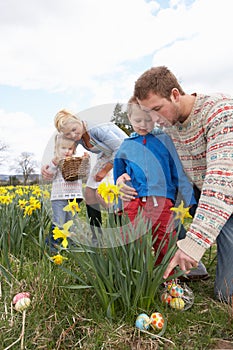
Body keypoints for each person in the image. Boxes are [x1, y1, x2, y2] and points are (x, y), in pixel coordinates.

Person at [118, 66, 233, 302]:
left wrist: (193, 245)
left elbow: (220, 186)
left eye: (157, 110)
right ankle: (184, 263)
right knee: (162, 210)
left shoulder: (221, 112)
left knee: (226, 295)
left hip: (224, 193)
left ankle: (189, 254)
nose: (154, 120)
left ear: (175, 94)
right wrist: (121, 180)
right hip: (196, 193)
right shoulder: (166, 126)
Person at [114, 99, 197, 270]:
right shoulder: (125, 146)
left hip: (162, 200)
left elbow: (178, 172)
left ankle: (168, 282)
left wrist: (189, 198)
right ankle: (137, 280)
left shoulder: (165, 140)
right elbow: (118, 177)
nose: (143, 125)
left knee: (165, 241)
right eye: (138, 121)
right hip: (133, 201)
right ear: (129, 118)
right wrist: (118, 203)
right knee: (134, 242)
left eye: (148, 120)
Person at [42, 109, 128, 245]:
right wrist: (47, 166)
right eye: (68, 133)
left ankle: (121, 234)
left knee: (108, 194)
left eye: (74, 129)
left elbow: (121, 148)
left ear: (78, 120)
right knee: (89, 193)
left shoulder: (97, 129)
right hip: (107, 156)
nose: (73, 135)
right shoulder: (77, 136)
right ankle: (97, 238)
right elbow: (63, 148)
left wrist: (104, 171)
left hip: (125, 153)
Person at [45, 133, 86, 252]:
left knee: (71, 223)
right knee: (59, 222)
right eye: (63, 148)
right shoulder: (55, 161)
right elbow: (50, 175)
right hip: (59, 197)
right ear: (57, 149)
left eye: (70, 148)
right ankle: (52, 245)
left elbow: (84, 173)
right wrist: (54, 163)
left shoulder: (75, 161)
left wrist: (85, 160)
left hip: (74, 197)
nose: (67, 151)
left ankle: (70, 243)